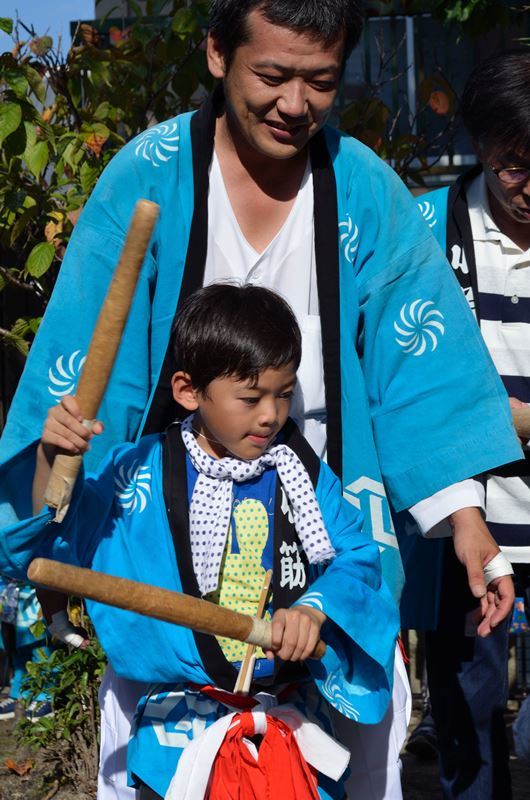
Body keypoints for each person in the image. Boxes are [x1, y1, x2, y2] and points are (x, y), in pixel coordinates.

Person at [0, 2, 523, 798]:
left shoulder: (365, 192)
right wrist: (60, 466)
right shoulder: (147, 175)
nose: (295, 104)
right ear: (216, 53)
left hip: (328, 519)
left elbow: (419, 370)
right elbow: (85, 369)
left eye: (320, 81)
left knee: (349, 758)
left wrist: (468, 522)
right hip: (172, 531)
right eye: (272, 75)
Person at [0, 284, 399, 800]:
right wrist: (52, 460)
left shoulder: (302, 473)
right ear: (189, 391)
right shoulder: (137, 471)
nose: (270, 415)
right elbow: (53, 541)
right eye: (251, 398)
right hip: (175, 736)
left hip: (288, 726)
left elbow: (358, 558)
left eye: (283, 394)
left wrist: (313, 611)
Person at [412, 50, 530, 799]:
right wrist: (510, 418)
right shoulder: (427, 230)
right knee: (469, 742)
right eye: (516, 165)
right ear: (484, 146)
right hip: (466, 530)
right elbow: (410, 388)